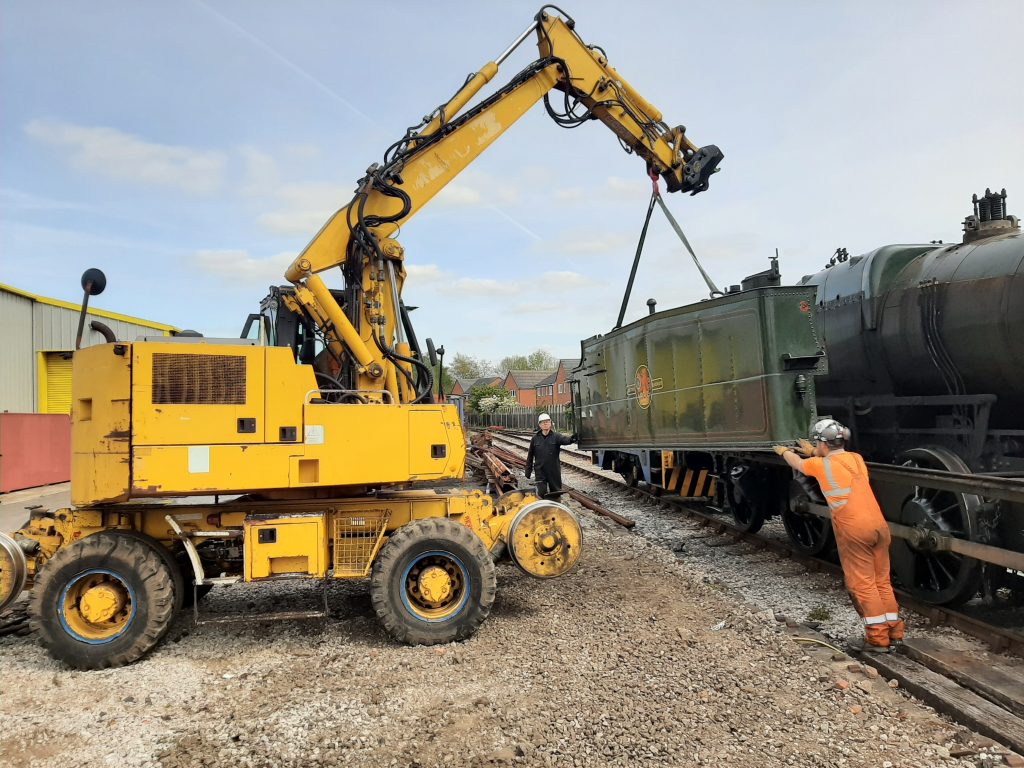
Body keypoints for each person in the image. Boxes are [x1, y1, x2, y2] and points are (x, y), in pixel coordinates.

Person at [774, 419, 904, 653]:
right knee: (882, 581)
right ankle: (895, 631)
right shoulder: (856, 459)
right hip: (879, 527)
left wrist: (784, 452)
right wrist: (815, 450)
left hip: (855, 529)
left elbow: (800, 464)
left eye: (817, 442)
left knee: (863, 584)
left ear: (823, 444)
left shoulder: (819, 465)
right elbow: (833, 458)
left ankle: (877, 639)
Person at [524, 413, 578, 499]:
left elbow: (565, 440)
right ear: (539, 425)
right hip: (540, 471)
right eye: (543, 422)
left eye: (547, 421)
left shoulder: (556, 436)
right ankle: (544, 509)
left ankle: (556, 509)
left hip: (553, 471)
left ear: (551, 423)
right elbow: (530, 456)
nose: (545, 424)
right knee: (541, 493)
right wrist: (528, 471)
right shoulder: (535, 439)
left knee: (556, 493)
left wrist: (572, 439)